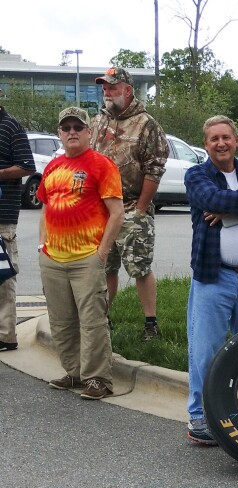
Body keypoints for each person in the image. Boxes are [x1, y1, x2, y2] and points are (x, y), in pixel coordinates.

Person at [182, 115, 238, 445]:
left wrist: (231, 213)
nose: (221, 143)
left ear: (236, 141)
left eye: (226, 137)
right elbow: (213, 200)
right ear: (206, 145)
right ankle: (199, 415)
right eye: (213, 139)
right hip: (213, 277)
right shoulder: (196, 175)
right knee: (205, 350)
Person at [36, 107, 124, 399]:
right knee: (61, 321)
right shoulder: (52, 167)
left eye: (78, 127)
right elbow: (46, 208)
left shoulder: (101, 165)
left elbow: (117, 213)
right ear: (59, 133)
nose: (72, 132)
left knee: (92, 321)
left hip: (87, 257)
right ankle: (74, 373)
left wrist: (102, 253)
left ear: (89, 132)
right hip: (53, 258)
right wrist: (42, 246)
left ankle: (98, 378)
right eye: (66, 128)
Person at [90, 66, 169, 341]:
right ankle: (102, 319)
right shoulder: (98, 121)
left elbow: (155, 167)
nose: (107, 92)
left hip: (133, 205)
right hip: (101, 211)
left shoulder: (145, 123)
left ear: (127, 90)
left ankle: (151, 324)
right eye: (104, 87)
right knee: (104, 267)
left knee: (139, 268)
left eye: (112, 87)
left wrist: (140, 208)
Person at [0, 104, 36, 352]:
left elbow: (27, 165)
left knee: (3, 277)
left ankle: (6, 335)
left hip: (2, 217)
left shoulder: (11, 126)